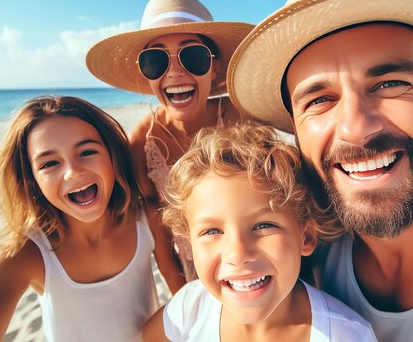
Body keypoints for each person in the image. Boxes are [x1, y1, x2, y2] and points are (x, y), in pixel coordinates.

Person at [227, 0, 413, 341]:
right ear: (296, 128)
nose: (356, 129)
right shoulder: (303, 236)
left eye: (390, 83)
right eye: (319, 100)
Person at [142, 123, 376, 341]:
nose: (237, 253)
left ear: (305, 237)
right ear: (189, 243)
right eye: (212, 231)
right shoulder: (188, 309)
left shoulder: (348, 335)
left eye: (263, 226)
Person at [86, 0, 254, 288]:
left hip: (256, 258)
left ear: (214, 67)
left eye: (193, 56)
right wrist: (182, 299)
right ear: (145, 74)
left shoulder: (243, 115)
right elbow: (160, 241)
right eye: (156, 61)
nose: (175, 72)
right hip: (196, 276)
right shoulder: (141, 145)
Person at [0, 96, 160, 341]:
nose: (73, 172)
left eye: (87, 151)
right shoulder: (25, 257)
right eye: (49, 163)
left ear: (112, 155)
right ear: (32, 180)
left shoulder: (145, 219)